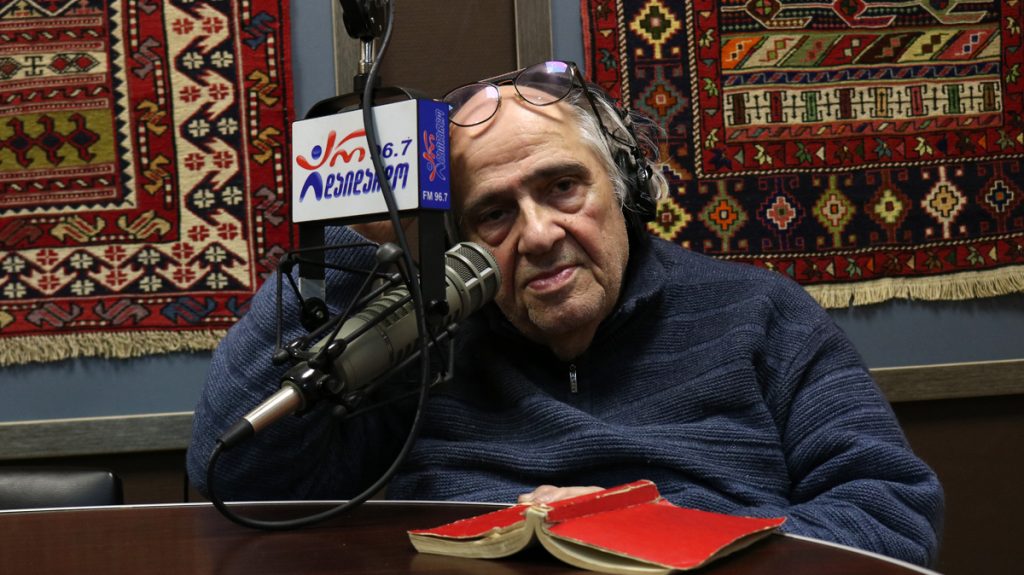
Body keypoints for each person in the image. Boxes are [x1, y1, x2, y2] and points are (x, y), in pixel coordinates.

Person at [187, 61, 943, 566]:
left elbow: (891, 516)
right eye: (494, 212)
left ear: (624, 186)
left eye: (561, 187)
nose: (539, 234)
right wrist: (355, 244)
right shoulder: (422, 340)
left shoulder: (760, 313)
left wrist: (661, 534)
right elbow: (246, 483)